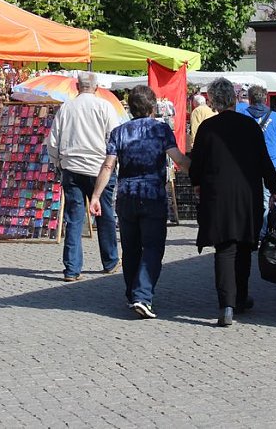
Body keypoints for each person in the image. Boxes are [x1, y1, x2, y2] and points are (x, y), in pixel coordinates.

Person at [89, 85, 190, 319]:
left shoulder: (119, 132)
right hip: (153, 196)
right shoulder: (161, 130)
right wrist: (197, 168)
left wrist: (96, 196)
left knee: (131, 248)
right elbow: (178, 160)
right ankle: (142, 296)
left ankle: (131, 293)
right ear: (152, 106)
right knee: (153, 247)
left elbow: (108, 166)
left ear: (131, 108)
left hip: (127, 197)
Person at [190, 78, 276, 327]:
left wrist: (197, 182)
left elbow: (196, 162)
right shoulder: (249, 125)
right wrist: (274, 188)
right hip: (246, 195)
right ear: (232, 98)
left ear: (213, 101)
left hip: (218, 196)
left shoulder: (208, 127)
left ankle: (226, 305)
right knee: (243, 246)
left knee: (225, 248)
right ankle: (240, 298)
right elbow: (264, 161)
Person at [48, 72, 121, 282]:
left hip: (72, 168)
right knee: (105, 216)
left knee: (74, 219)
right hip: (100, 170)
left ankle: (72, 268)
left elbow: (53, 141)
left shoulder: (66, 108)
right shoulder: (105, 107)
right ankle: (110, 261)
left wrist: (58, 163)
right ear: (96, 87)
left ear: (77, 86)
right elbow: (113, 140)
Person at [239, 85, 276, 231]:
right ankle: (263, 230)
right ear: (265, 98)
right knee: (266, 198)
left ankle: (248, 228)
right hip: (270, 162)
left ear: (250, 99)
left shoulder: (242, 115)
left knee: (247, 196)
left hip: (246, 163)